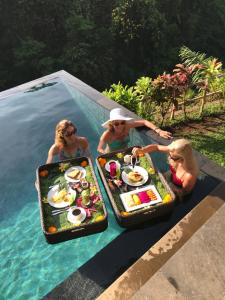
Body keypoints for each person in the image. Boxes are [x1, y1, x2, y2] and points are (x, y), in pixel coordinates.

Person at [132, 139, 199, 199]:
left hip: (176, 188)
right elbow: (157, 147)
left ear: (182, 159)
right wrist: (142, 150)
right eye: (169, 154)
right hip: (171, 176)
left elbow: (185, 192)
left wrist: (171, 187)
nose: (169, 157)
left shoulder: (189, 175)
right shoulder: (174, 151)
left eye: (172, 158)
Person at [97, 108, 172, 154]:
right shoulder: (107, 134)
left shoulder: (127, 126)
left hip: (126, 153)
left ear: (125, 122)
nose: (120, 126)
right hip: (111, 155)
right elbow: (99, 148)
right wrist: (104, 153)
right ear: (111, 124)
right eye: (116, 123)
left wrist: (159, 131)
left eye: (122, 122)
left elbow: (144, 122)